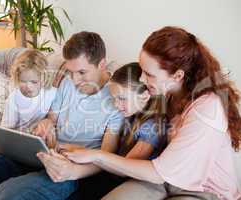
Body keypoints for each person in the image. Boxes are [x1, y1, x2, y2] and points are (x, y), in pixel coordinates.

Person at [0, 31, 123, 200]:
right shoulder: (68, 82)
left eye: (82, 72)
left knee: (8, 195)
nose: (74, 80)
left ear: (101, 64)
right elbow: (52, 117)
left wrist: (73, 171)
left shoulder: (118, 97)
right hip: (42, 153)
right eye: (71, 72)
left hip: (72, 171)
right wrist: (46, 123)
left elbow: (106, 157)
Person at [66, 26, 241, 200]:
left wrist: (97, 155)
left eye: (149, 74)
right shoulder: (167, 94)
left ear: (177, 76)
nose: (141, 79)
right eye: (142, 71)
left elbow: (157, 172)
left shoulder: (207, 109)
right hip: (163, 181)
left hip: (203, 190)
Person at [64, 62, 168, 200]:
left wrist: (92, 155)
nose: (116, 105)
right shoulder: (130, 115)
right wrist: (74, 149)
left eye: (122, 98)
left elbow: (125, 168)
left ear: (144, 96)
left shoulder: (152, 126)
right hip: (107, 176)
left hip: (122, 181)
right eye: (114, 99)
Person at [0, 49, 57, 132]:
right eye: (23, 81)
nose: (28, 87)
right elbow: (5, 130)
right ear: (17, 78)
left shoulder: (52, 93)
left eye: (34, 82)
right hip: (18, 137)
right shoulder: (14, 98)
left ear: (44, 78)